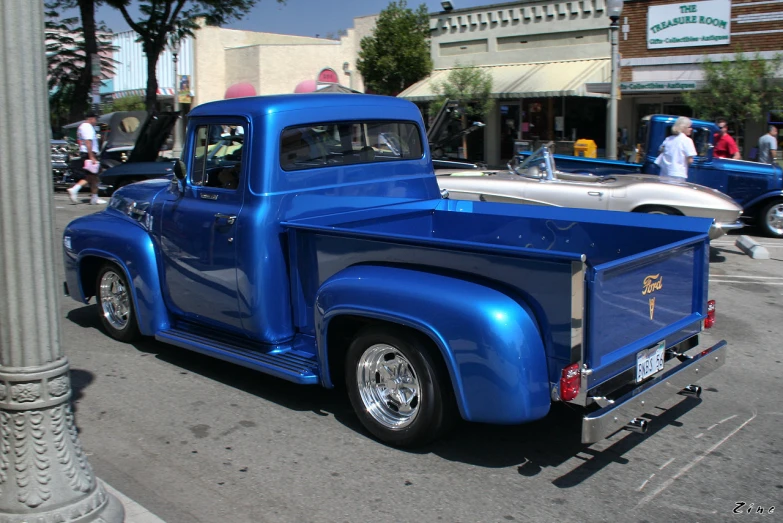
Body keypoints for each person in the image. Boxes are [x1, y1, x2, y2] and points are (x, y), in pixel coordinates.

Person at [67, 112, 106, 205]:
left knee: (92, 177)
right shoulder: (87, 127)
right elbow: (88, 141)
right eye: (96, 119)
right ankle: (76, 189)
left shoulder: (82, 127)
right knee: (93, 176)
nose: (96, 121)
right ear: (91, 118)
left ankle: (94, 197)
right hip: (89, 153)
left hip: (87, 153)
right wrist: (91, 156)